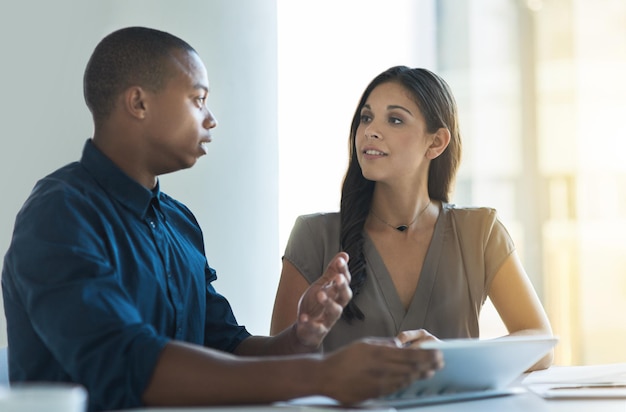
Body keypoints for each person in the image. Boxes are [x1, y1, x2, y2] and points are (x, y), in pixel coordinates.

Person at [0, 29, 444, 412]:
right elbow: (128, 363)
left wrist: (300, 337)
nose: (211, 119)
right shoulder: (58, 215)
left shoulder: (178, 222)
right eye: (198, 99)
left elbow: (227, 348)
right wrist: (322, 375)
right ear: (138, 102)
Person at [270, 66, 554, 371]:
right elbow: (278, 363)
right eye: (366, 118)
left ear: (435, 143)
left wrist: (449, 357)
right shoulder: (313, 236)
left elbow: (540, 344)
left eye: (395, 119)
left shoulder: (480, 232)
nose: (370, 131)